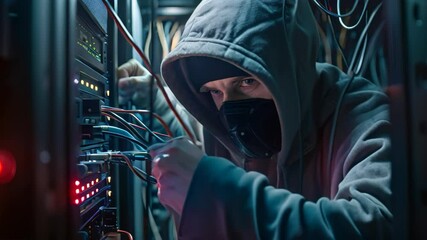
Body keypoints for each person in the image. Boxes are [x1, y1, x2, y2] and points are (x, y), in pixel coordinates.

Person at [119, 0, 392, 238]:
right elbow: (194, 130)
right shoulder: (218, 123)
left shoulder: (366, 117)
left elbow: (373, 227)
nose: (230, 106)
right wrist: (153, 98)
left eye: (247, 81)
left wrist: (220, 196)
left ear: (289, 71)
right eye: (214, 91)